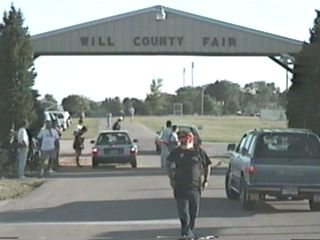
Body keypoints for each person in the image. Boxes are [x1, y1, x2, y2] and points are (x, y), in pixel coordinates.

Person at [167, 132, 212, 239]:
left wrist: (206, 180)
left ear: (191, 140)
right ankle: (186, 234)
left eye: (186, 139)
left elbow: (207, 165)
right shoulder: (176, 152)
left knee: (193, 214)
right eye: (182, 139)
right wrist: (171, 178)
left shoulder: (198, 152)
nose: (184, 141)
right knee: (184, 214)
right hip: (180, 188)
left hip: (195, 188)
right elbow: (168, 163)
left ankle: (188, 231)